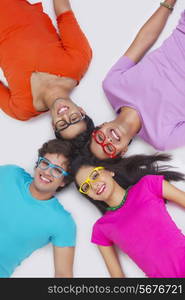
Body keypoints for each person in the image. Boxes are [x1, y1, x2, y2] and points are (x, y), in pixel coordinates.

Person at [89, 0, 185, 160]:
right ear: (123, 151)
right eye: (109, 148)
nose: (108, 140)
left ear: (100, 126)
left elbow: (144, 39)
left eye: (100, 138)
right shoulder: (162, 138)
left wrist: (169, 2)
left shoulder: (112, 85)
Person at [71, 153, 185, 277]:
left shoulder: (148, 185)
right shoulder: (101, 228)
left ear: (109, 171)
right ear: (88, 195)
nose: (94, 185)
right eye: (86, 186)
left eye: (95, 175)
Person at [0, 0, 94, 143]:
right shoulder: (78, 62)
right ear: (81, 111)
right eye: (74, 118)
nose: (65, 115)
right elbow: (64, 14)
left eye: (62, 124)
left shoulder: (21, 110)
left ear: (53, 125)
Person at [0, 139, 76, 278]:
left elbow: (63, 275)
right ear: (37, 165)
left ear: (63, 182)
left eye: (57, 170)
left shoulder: (62, 222)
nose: (47, 172)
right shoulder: (10, 174)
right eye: (45, 163)